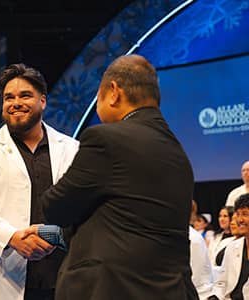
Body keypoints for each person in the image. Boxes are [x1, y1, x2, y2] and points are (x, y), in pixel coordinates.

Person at [40, 54, 198, 299]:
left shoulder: (105, 139)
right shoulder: (179, 154)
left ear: (114, 91)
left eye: (98, 97)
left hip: (112, 289)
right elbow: (129, 219)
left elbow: (56, 207)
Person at [0, 63, 79, 300]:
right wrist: (12, 237)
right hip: (5, 275)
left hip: (60, 275)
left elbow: (79, 206)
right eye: (8, 97)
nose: (15, 103)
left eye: (25, 95)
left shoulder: (71, 148)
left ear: (42, 101)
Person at [208, 193, 249, 300]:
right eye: (238, 214)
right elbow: (221, 283)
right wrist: (215, 297)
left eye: (245, 214)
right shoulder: (232, 247)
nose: (239, 220)